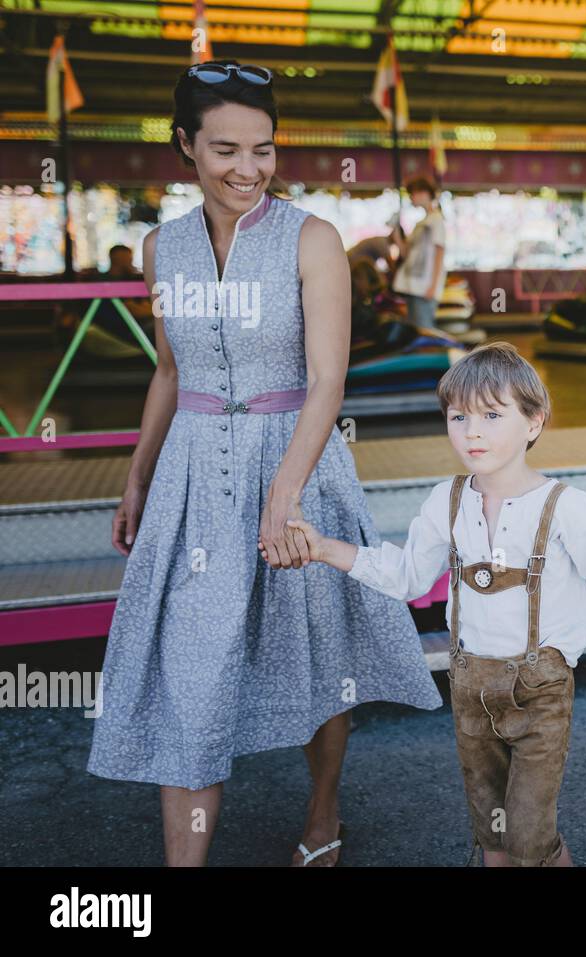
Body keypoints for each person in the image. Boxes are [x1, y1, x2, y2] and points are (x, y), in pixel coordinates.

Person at [87, 59, 442, 867]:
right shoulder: (161, 248)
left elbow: (326, 382)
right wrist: (137, 472)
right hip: (193, 474)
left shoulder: (312, 239)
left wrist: (283, 498)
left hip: (300, 462)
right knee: (190, 659)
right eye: (224, 150)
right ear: (185, 146)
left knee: (316, 654)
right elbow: (171, 371)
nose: (247, 169)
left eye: (263, 149)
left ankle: (322, 815)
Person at [280, 341, 586, 866]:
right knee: (492, 832)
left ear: (534, 422)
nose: (472, 431)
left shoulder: (565, 508)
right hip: (469, 688)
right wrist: (324, 548)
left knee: (531, 837)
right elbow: (406, 576)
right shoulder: (447, 501)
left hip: (540, 690)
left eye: (491, 414)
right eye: (458, 416)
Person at [389, 176, 447, 332]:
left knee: (424, 332)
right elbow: (406, 252)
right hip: (412, 286)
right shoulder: (421, 223)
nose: (411, 198)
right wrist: (396, 234)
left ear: (423, 193)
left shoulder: (436, 220)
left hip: (424, 287)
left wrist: (433, 286)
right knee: (416, 331)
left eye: (412, 194)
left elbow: (439, 252)